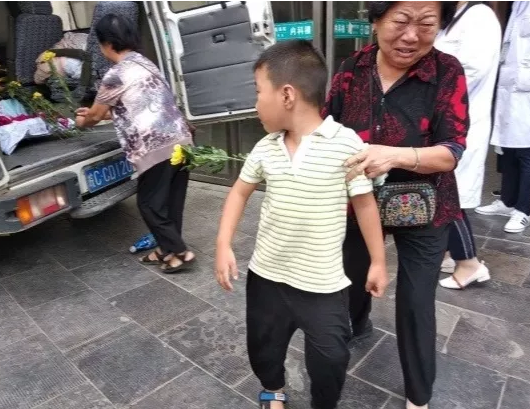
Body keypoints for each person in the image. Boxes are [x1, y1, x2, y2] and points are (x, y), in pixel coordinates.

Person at [215, 40, 388, 409]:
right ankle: (273, 389)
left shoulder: (345, 144)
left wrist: (377, 261)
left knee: (331, 359)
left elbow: (365, 205)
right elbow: (239, 193)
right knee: (263, 346)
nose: (255, 103)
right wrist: (223, 244)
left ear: (287, 95)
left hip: (322, 284)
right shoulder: (266, 147)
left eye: (258, 92)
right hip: (267, 276)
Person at [322, 2, 468, 408]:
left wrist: (394, 155)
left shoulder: (447, 72)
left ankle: (418, 396)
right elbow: (325, 127)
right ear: (376, 21)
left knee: (416, 302)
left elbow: (451, 151)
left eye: (426, 25)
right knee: (352, 276)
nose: (411, 36)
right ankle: (357, 324)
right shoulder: (351, 69)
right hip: (361, 201)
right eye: (400, 22)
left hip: (426, 206)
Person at [74, 14, 196, 272]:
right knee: (171, 201)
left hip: (156, 146)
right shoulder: (145, 63)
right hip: (182, 140)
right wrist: (98, 114)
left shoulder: (115, 75)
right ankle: (167, 250)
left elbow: (94, 116)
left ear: (107, 44)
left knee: (149, 204)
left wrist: (82, 120)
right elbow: (132, 105)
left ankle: (181, 252)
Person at [434, 1, 501, 289]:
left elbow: (470, 72)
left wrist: (428, 94)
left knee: (450, 196)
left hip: (461, 121)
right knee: (446, 192)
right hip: (446, 122)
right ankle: (453, 255)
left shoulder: (480, 16)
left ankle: (469, 263)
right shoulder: (452, 18)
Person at [476, 1, 530, 233]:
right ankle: (507, 201)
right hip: (510, 87)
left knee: (529, 152)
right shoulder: (519, 5)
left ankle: (523, 210)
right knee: (509, 149)